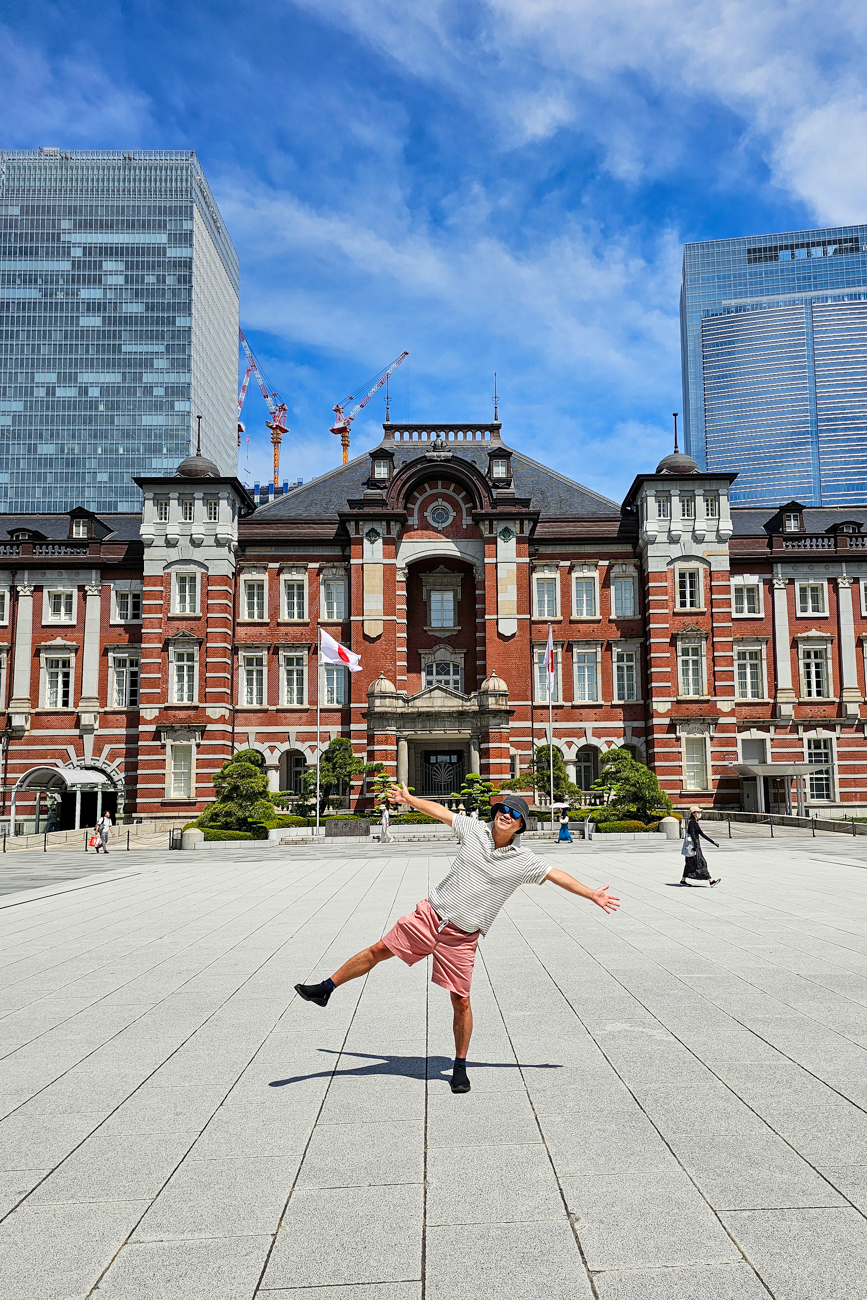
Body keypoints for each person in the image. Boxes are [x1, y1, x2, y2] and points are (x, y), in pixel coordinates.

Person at [295, 786, 619, 1095]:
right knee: (380, 949)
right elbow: (441, 813)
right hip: (432, 915)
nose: (506, 814)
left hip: (463, 936)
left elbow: (555, 874)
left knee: (460, 1000)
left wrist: (591, 893)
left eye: (513, 814)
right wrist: (410, 799)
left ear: (521, 824)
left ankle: (460, 1065)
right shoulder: (475, 829)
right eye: (503, 809)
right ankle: (325, 988)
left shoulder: (524, 860)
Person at [680, 807, 720, 886]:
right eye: (698, 812)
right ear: (694, 813)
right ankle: (710, 880)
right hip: (693, 847)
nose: (699, 813)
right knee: (702, 862)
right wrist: (695, 846)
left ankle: (683, 880)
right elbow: (692, 835)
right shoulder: (691, 823)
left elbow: (702, 834)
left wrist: (713, 842)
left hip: (694, 846)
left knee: (689, 863)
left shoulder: (695, 823)